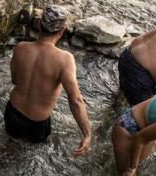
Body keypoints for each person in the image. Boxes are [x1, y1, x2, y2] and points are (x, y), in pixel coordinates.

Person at [5, 4, 92, 155]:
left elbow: (15, 80)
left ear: (39, 24)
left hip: (13, 111)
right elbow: (76, 101)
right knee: (30, 155)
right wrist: (87, 134)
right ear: (62, 31)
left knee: (10, 146)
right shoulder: (65, 59)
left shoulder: (20, 47)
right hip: (37, 122)